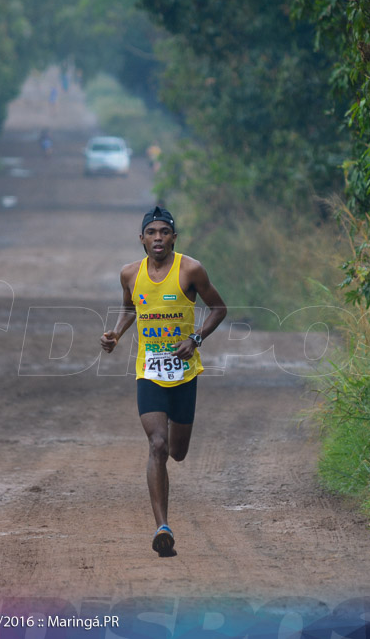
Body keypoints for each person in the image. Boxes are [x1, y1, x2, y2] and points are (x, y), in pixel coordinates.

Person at [100, 206, 227, 556]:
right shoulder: (130, 274)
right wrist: (116, 334)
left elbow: (219, 308)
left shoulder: (191, 270)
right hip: (150, 371)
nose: (158, 238)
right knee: (157, 444)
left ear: (174, 238)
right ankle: (162, 527)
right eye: (151, 232)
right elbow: (129, 308)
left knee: (177, 451)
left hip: (185, 372)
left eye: (164, 232)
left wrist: (196, 339)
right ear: (141, 239)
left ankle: (165, 513)